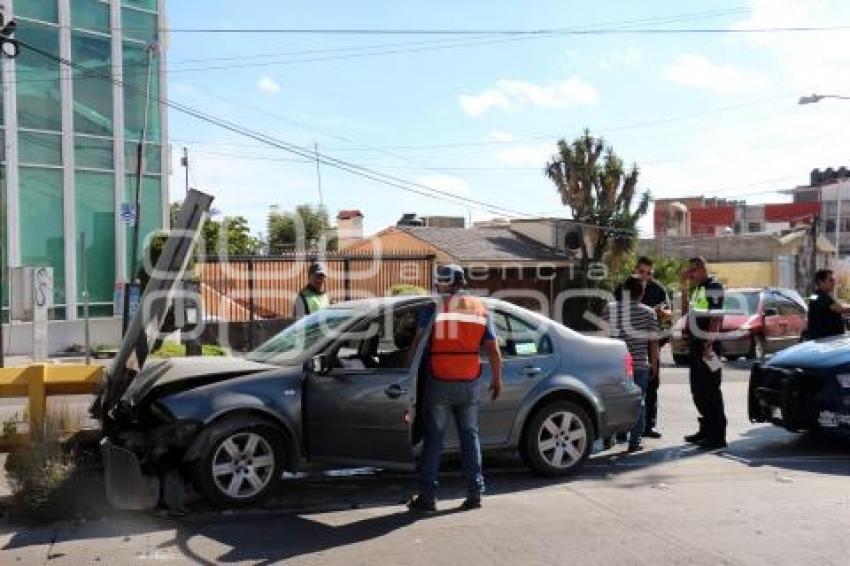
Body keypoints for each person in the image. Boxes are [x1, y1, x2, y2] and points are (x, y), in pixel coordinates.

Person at [406, 264, 503, 513]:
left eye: (440, 282)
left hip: (439, 379)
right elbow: (492, 349)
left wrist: (407, 371)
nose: (437, 285)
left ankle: (427, 497)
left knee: (434, 439)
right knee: (470, 438)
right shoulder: (479, 308)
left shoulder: (433, 308)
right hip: (470, 381)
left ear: (446, 283)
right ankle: (475, 493)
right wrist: (497, 378)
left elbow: (418, 341)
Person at [603, 275, 660, 453]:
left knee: (611, 401)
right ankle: (634, 441)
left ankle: (608, 438)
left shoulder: (609, 309)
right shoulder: (648, 312)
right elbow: (653, 343)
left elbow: (603, 336)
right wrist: (655, 366)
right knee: (638, 402)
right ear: (641, 293)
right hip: (639, 365)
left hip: (615, 364)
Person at [680, 257, 727, 450]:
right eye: (689, 272)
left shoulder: (713, 286)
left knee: (710, 390)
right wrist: (683, 285)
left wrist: (709, 343)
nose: (690, 275)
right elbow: (686, 311)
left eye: (692, 271)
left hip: (708, 346)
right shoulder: (698, 288)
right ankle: (705, 429)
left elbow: (716, 317)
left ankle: (717, 436)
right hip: (696, 345)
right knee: (698, 390)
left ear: (702, 269)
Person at [621, 257, 671, 439]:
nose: (645, 276)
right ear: (635, 269)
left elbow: (668, 318)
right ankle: (622, 428)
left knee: (651, 387)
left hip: (649, 347)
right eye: (641, 272)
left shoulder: (658, 290)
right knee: (623, 390)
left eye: (649, 273)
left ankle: (649, 425)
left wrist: (661, 314)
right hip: (625, 347)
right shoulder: (624, 287)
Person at [806, 269, 850, 340]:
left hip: (822, 340)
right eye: (830, 280)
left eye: (834, 280)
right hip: (825, 341)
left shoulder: (815, 295)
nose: (834, 283)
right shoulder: (821, 296)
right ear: (820, 281)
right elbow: (840, 309)